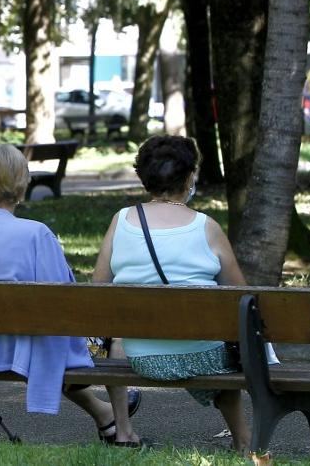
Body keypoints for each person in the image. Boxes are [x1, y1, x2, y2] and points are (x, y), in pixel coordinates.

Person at [0, 142, 142, 446]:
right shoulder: (36, 233)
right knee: (106, 335)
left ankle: (106, 418)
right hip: (22, 348)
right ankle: (122, 429)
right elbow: (65, 300)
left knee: (47, 333)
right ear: (21, 184)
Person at [92, 134, 251, 453]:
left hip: (142, 358)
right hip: (204, 357)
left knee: (119, 338)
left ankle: (123, 431)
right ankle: (243, 441)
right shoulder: (207, 227)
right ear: (190, 176)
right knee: (226, 343)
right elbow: (242, 296)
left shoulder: (121, 221)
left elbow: (99, 290)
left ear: (144, 177)